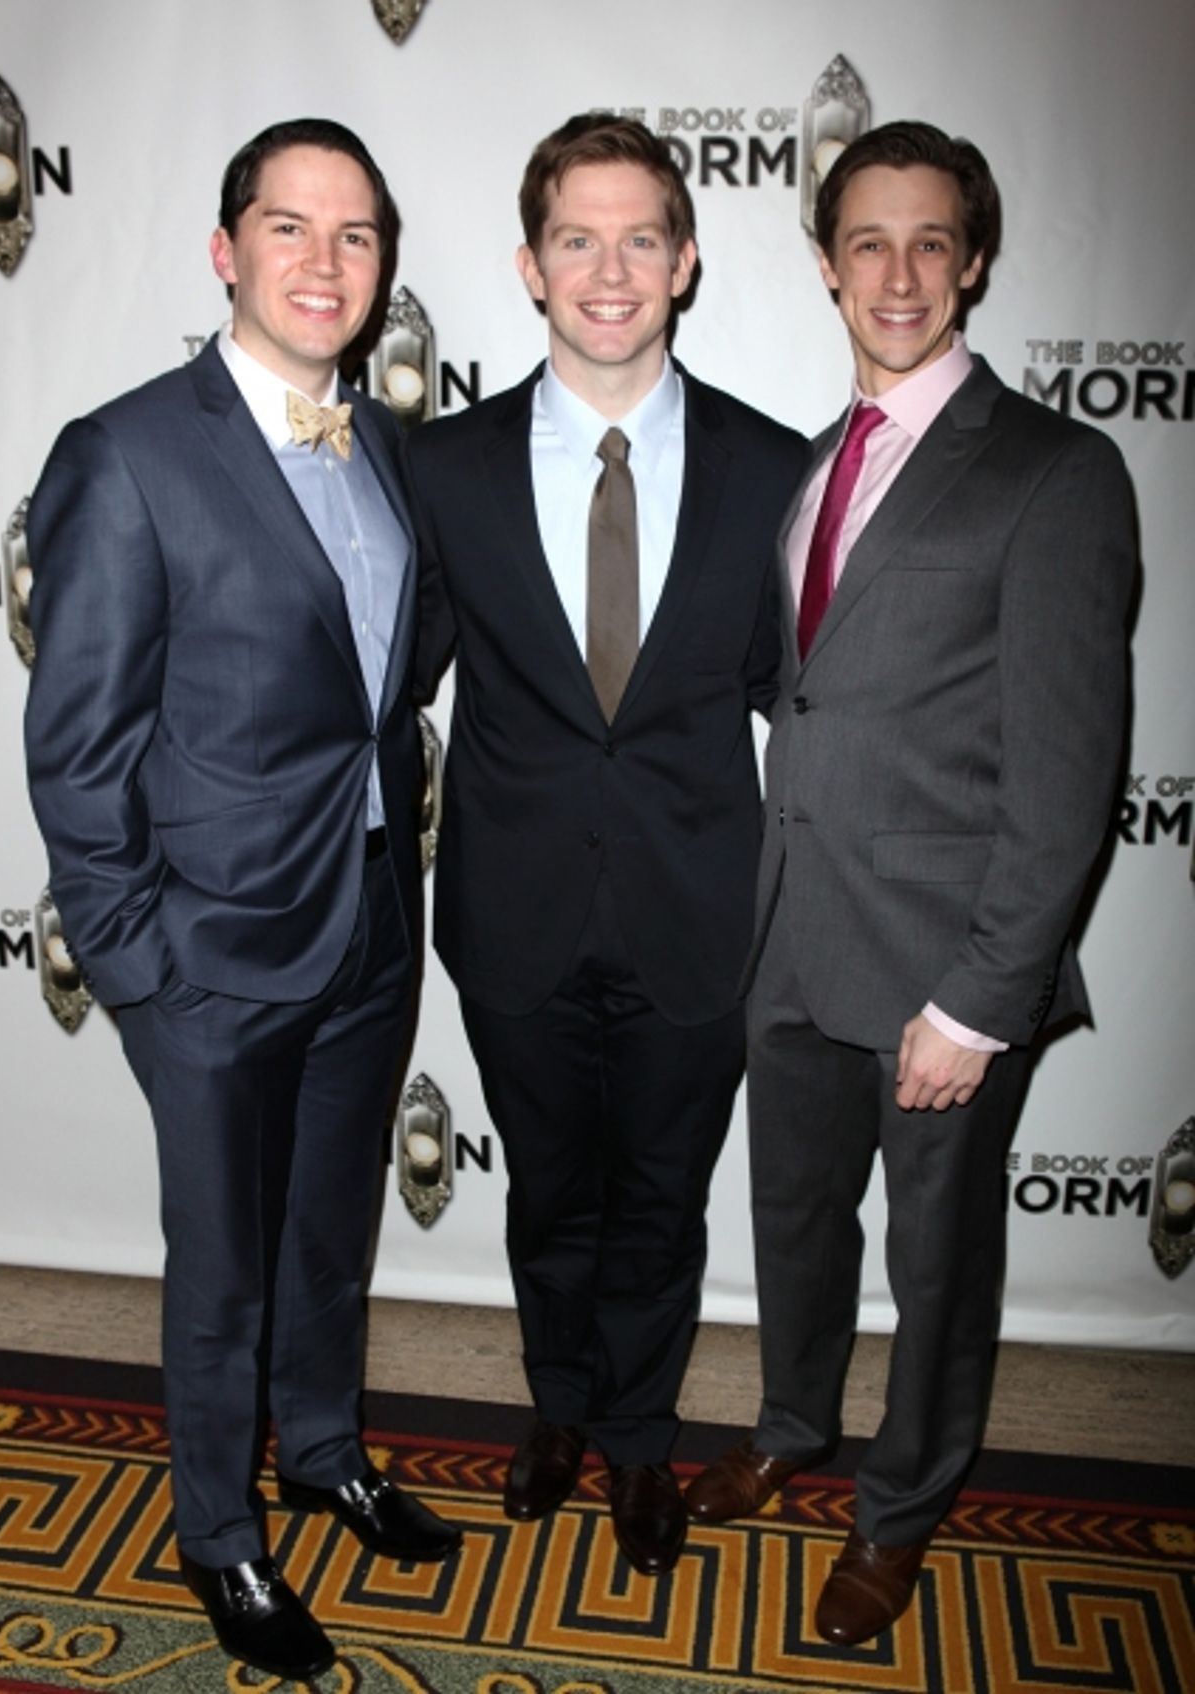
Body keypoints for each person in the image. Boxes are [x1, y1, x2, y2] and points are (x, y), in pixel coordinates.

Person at [685, 120, 1136, 1645]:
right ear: (825, 265)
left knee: (938, 1268)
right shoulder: (819, 464)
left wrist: (981, 998)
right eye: (867, 242)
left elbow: (1069, 776)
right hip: (793, 942)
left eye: (930, 241)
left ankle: (899, 1508)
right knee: (797, 1222)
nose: (898, 273)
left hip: (945, 970)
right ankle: (791, 1424)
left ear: (975, 260)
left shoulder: (1057, 471)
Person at [24, 118, 460, 1684]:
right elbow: (76, 746)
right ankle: (219, 1531)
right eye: (290, 227)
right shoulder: (126, 452)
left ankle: (325, 1450)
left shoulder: (388, 444)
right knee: (220, 1269)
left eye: (355, 234)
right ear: (227, 250)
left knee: (330, 1228)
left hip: (369, 917)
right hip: (207, 952)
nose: (324, 261)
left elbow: (390, 674)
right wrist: (141, 965)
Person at [406, 114, 807, 1576]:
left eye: (642, 237)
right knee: (549, 1191)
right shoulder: (441, 466)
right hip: (512, 905)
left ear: (685, 260)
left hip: (700, 907)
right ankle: (559, 1406)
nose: (611, 269)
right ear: (531, 265)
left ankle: (638, 1436)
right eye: (578, 238)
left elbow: (803, 701)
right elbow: (385, 678)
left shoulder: (775, 469)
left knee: (660, 1200)